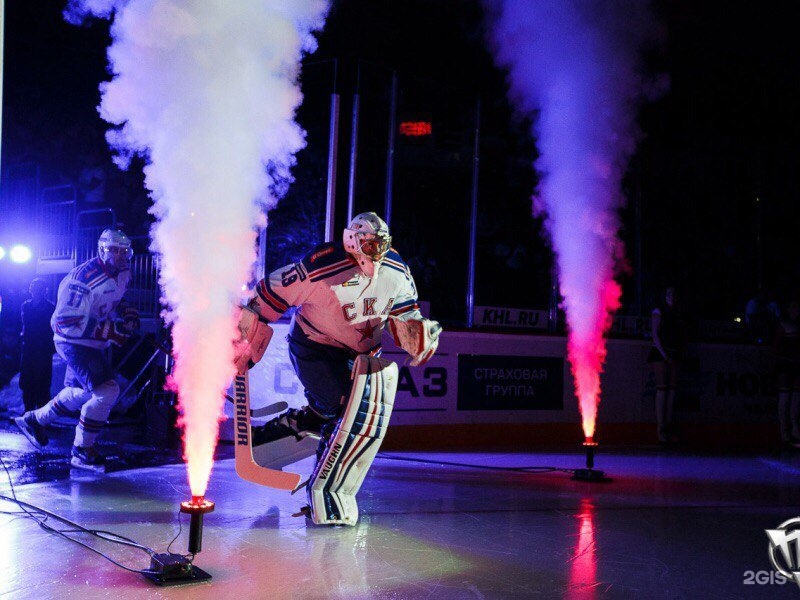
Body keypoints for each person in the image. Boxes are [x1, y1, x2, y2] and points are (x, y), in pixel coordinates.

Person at [238, 212, 441, 524]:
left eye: (381, 244)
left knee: (337, 413)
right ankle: (325, 492)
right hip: (313, 347)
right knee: (344, 411)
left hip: (362, 357)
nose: (376, 251)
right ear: (352, 240)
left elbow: (405, 313)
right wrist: (247, 329)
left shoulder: (397, 270)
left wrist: (416, 331)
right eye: (369, 244)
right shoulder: (321, 265)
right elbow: (271, 293)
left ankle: (268, 442)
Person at [14, 229, 139, 471]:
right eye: (114, 250)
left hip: (90, 341)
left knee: (83, 392)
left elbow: (116, 297)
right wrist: (112, 331)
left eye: (124, 251)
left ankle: (35, 419)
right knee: (107, 390)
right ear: (102, 250)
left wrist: (128, 313)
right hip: (72, 341)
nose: (121, 256)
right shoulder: (82, 279)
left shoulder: (123, 272)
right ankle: (82, 449)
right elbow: (66, 322)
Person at [647, 286, 686, 444]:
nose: (672, 296)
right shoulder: (659, 311)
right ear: (664, 295)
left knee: (671, 391)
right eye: (669, 293)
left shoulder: (678, 312)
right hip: (661, 352)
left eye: (674, 293)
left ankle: (668, 428)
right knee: (662, 390)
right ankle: (661, 429)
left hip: (674, 352)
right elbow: (655, 335)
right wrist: (665, 355)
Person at [18, 278, 56, 412]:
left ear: (43, 290)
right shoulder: (26, 306)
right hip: (29, 347)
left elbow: (50, 328)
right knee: (27, 379)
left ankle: (41, 412)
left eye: (36, 287)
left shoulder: (50, 307)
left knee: (42, 380)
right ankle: (28, 409)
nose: (33, 289)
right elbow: (25, 325)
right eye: (33, 286)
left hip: (43, 348)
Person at [775, 298, 800, 448]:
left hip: (797, 367)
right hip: (785, 366)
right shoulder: (783, 326)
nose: (796, 310)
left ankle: (795, 432)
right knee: (785, 399)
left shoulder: (796, 326)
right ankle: (784, 434)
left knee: (795, 399)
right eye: (793, 307)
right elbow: (777, 348)